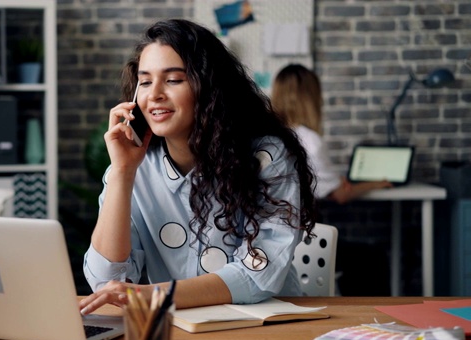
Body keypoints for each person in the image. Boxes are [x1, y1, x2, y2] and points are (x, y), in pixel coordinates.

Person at [79, 19, 317, 315]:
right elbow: (106, 280)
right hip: (180, 327)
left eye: (174, 79)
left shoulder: (265, 156)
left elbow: (259, 273)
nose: (154, 94)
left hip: (268, 323)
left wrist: (152, 295)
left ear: (209, 88)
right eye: (145, 81)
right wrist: (122, 173)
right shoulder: (132, 166)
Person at [271, 64, 392, 205]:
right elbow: (341, 195)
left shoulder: (267, 136)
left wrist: (335, 182)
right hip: (297, 225)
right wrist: (374, 184)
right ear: (311, 99)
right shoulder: (310, 141)